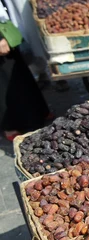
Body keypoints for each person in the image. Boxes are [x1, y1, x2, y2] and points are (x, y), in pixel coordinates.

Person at [0, 0, 50, 141]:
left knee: (18, 70)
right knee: (5, 80)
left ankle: (38, 112)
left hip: (4, 24)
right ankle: (10, 125)